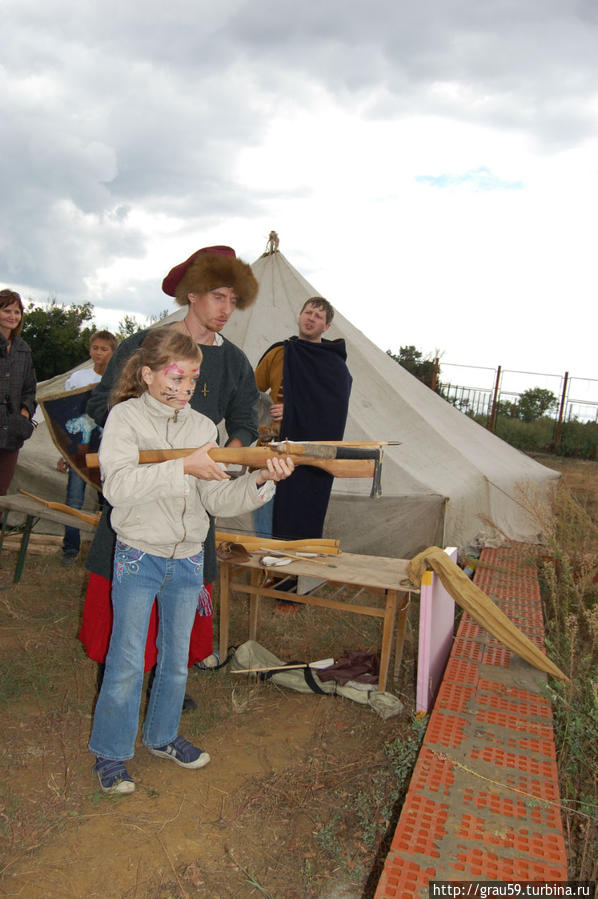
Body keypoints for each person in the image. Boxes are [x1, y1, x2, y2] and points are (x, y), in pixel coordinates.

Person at [89, 328, 293, 794]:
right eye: (175, 378)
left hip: (187, 559)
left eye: (191, 380)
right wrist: (181, 466)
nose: (184, 389)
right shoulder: (124, 419)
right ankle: (111, 754)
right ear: (148, 373)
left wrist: (262, 479)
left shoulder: (202, 428)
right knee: (125, 661)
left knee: (176, 660)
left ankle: (162, 736)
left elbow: (217, 498)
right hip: (139, 555)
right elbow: (116, 487)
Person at [79, 245, 259, 693]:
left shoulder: (234, 360)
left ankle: (166, 687)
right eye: (218, 296)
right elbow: (102, 404)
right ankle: (118, 682)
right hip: (140, 492)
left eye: (234, 300)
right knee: (129, 596)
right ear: (192, 295)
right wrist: (147, 437)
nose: (226, 309)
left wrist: (224, 455)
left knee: (178, 596)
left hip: (193, 498)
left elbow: (244, 419)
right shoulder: (147, 345)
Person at [254, 297, 352, 544]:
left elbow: (334, 412)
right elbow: (249, 393)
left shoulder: (334, 366)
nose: (311, 318)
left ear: (327, 326)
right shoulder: (280, 353)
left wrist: (294, 411)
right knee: (265, 528)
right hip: (271, 453)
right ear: (299, 315)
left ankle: (290, 579)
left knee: (299, 530)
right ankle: (268, 574)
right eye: (308, 312)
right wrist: (265, 414)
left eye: (318, 316)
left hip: (309, 461)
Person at [57, 331, 118, 566]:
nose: (98, 353)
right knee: (74, 500)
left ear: (113, 352)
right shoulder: (78, 379)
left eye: (104, 349)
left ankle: (104, 554)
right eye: (95, 347)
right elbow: (65, 421)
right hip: (80, 451)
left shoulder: (119, 380)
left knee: (108, 502)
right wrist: (63, 453)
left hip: (108, 453)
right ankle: (70, 550)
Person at [0, 289, 37, 495]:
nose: (13, 316)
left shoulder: (23, 349)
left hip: (11, 433)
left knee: (1, 493)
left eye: (17, 312)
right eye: (7, 311)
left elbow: (30, 390)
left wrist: (23, 416)